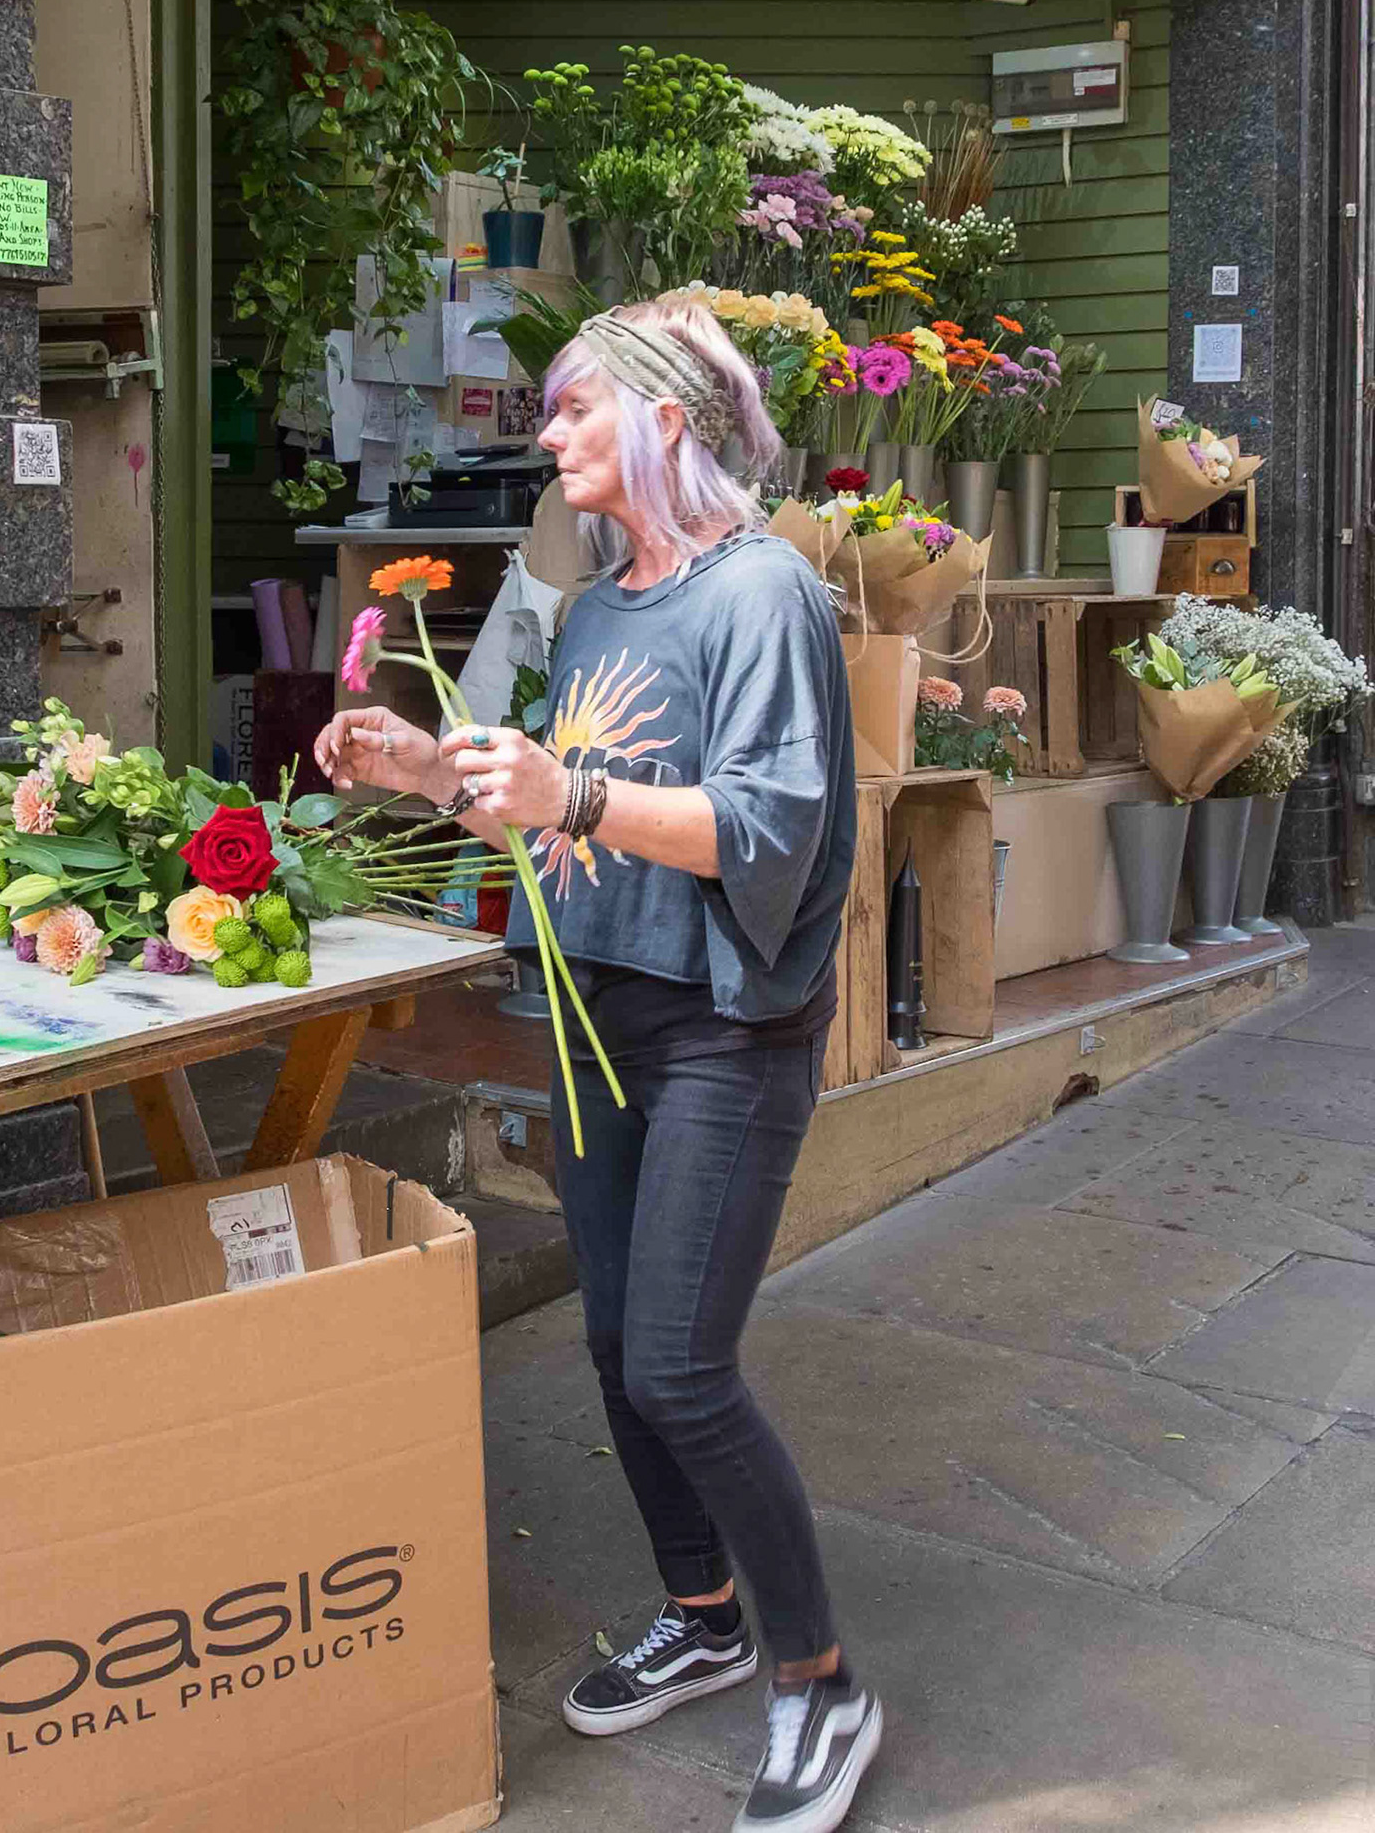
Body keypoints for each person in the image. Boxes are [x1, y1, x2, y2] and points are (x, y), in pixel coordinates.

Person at [313, 297, 878, 1833]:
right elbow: (560, 809)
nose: (545, 433)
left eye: (571, 409)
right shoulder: (603, 605)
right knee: (623, 1344)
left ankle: (817, 1678)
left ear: (668, 422)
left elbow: (768, 829)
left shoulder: (762, 596)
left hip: (721, 1024)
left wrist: (573, 792)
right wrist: (434, 768)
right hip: (598, 1010)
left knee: (684, 1363)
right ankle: (703, 1614)